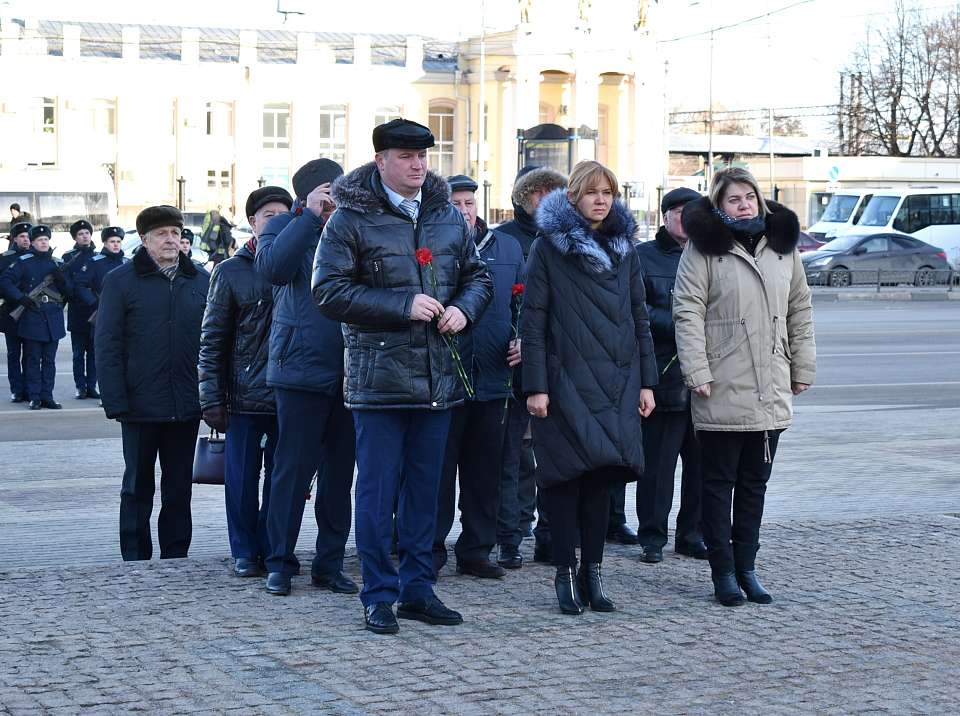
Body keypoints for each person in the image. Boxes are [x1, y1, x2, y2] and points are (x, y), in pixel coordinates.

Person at [313, 118, 492, 635]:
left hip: (439, 379)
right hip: (379, 382)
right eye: (406, 156)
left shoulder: (446, 215)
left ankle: (418, 589)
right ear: (381, 161)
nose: (418, 165)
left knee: (426, 491)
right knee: (375, 492)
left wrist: (464, 309)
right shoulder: (349, 220)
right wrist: (401, 304)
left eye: (423, 157)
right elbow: (327, 291)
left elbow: (477, 275)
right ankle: (378, 594)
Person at [674, 167, 816, 606]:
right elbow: (688, 312)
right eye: (734, 199)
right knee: (717, 487)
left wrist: (803, 365)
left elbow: (800, 309)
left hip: (769, 385)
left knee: (756, 485)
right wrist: (697, 371)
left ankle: (747, 568)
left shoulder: (781, 248)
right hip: (720, 386)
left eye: (750, 197)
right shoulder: (704, 250)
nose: (745, 205)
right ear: (719, 206)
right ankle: (723, 574)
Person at [522, 160, 657, 615]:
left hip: (618, 381)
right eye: (593, 192)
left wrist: (647, 383)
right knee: (563, 479)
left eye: (609, 192)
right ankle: (564, 572)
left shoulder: (625, 249)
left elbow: (640, 316)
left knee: (602, 479)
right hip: (563, 383)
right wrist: (536, 386)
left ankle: (593, 572)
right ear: (574, 196)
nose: (601, 200)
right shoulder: (548, 248)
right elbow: (533, 320)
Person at [255, 159, 357, 597]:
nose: (335, 201)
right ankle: (279, 560)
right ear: (308, 195)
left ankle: (329, 563)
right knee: (290, 472)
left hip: (352, 371)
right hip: (299, 370)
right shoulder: (284, 227)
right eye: (327, 194)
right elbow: (273, 270)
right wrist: (308, 216)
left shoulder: (355, 226)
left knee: (339, 476)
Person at [95, 206, 210, 561]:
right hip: (139, 404)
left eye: (176, 233)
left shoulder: (201, 279)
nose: (171, 240)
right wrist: (115, 399)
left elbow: (214, 340)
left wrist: (213, 395)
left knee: (178, 488)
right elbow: (108, 343)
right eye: (162, 234)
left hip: (186, 403)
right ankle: (135, 555)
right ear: (145, 240)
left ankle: (176, 554)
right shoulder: (121, 281)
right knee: (137, 486)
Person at [433, 174, 524, 579]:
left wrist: (522, 339)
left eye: (470, 203)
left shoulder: (507, 247)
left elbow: (524, 303)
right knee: (436, 473)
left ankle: (476, 551)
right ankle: (429, 548)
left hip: (492, 376)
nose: (465, 210)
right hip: (444, 380)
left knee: (485, 472)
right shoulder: (432, 245)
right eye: (456, 203)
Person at [199, 186, 292, 579]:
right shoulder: (231, 271)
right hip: (243, 394)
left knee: (282, 479)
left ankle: (274, 548)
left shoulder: (303, 265)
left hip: (291, 392)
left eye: (284, 214)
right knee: (240, 479)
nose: (276, 221)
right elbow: (212, 337)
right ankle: (244, 549)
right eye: (268, 214)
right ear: (253, 222)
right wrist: (211, 397)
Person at [495, 165, 568, 565]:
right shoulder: (503, 240)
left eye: (553, 192)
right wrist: (516, 338)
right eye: (537, 193)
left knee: (552, 456)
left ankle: (550, 535)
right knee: (514, 458)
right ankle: (511, 534)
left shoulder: (568, 240)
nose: (545, 200)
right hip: (510, 365)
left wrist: (542, 342)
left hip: (554, 365)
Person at [632, 188, 708, 564]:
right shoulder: (643, 257)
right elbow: (636, 310)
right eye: (679, 212)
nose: (685, 219)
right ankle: (652, 537)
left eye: (692, 212)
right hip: (662, 377)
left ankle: (692, 534)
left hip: (704, 382)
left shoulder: (710, 254)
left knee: (700, 468)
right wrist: (683, 325)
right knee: (658, 469)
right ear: (665, 216)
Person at [0, 225, 71, 410]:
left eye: (46, 240)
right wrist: (20, 298)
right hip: (32, 316)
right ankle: (34, 397)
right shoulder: (24, 261)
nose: (43, 243)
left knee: (49, 361)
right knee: (32, 359)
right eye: (40, 240)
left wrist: (62, 280)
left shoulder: (56, 263)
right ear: (32, 242)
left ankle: (47, 396)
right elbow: (5, 281)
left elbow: (70, 291)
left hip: (52, 318)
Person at [62, 220, 99, 399]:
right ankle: (80, 387)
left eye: (87, 233)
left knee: (93, 353)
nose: (85, 236)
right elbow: (66, 284)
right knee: (78, 353)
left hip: (96, 310)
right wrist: (75, 293)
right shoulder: (69, 257)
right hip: (78, 311)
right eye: (81, 234)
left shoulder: (98, 257)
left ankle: (92, 386)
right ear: (75, 238)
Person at [0, 222, 32, 402]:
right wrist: (17, 294)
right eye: (22, 237)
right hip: (12, 311)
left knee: (30, 354)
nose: (26, 240)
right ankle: (16, 390)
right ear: (14, 239)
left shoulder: (36, 257)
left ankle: (29, 388)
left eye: (28, 236)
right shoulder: (4, 258)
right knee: (13, 354)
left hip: (31, 313)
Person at [76, 227, 128, 325]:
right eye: (112, 242)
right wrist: (94, 302)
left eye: (118, 241)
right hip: (103, 311)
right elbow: (80, 285)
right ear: (105, 243)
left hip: (125, 311)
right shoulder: (95, 262)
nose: (116, 244)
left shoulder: (127, 262)